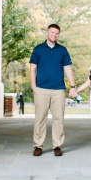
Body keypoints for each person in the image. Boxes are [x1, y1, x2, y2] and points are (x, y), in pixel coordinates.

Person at [29, 24, 75, 157]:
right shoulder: (38, 50)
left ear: (58, 35)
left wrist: (73, 85)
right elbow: (32, 69)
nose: (54, 35)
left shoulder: (62, 50)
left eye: (57, 33)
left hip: (58, 90)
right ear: (47, 33)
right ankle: (38, 145)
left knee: (58, 119)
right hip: (41, 89)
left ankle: (57, 145)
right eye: (52, 32)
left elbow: (67, 69)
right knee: (40, 119)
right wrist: (34, 88)